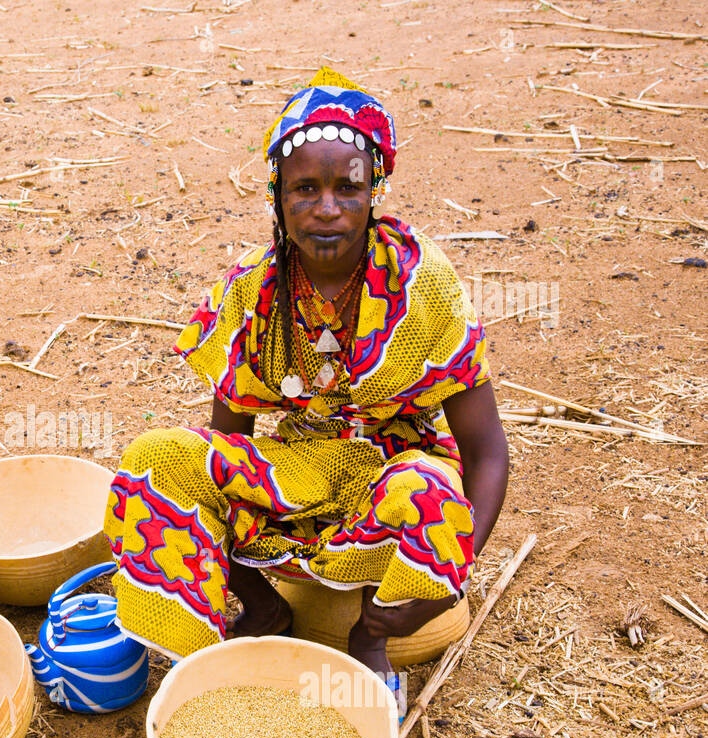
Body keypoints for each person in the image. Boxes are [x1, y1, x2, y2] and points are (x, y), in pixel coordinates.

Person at [103, 67, 510, 694]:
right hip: (301, 472)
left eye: (346, 188)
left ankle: (367, 636)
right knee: (161, 462)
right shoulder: (253, 289)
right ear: (277, 195)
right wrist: (221, 522)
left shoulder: (420, 281)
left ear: (374, 189)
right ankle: (264, 612)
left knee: (431, 494)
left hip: (397, 475)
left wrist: (451, 568)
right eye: (304, 189)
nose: (326, 209)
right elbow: (226, 445)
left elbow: (486, 452)